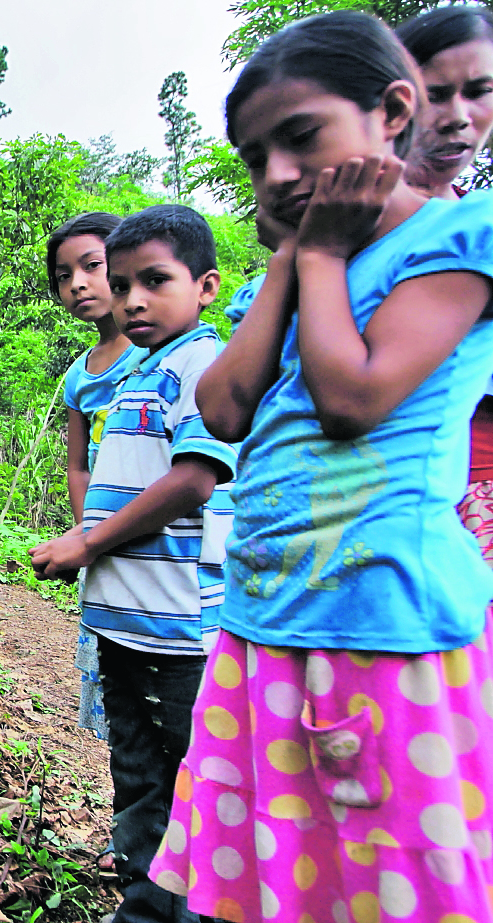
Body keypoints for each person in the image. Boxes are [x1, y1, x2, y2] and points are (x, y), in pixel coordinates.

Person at [150, 11, 493, 923]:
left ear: (392, 112)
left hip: (376, 623)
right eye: (255, 158)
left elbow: (351, 398)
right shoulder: (305, 264)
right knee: (282, 882)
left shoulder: (459, 237)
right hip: (264, 617)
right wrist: (295, 255)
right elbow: (224, 407)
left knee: (391, 888)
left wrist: (327, 254)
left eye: (300, 137)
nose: (277, 174)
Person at [31, 204, 236, 923]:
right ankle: (144, 910)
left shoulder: (204, 367)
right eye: (122, 286)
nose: (132, 300)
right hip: (123, 625)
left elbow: (193, 480)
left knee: (192, 784)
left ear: (205, 286)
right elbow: (96, 474)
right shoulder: (134, 375)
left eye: (154, 281)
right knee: (140, 778)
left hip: (178, 633)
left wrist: (87, 544)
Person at [398, 5, 493, 564]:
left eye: (480, 91)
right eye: (436, 95)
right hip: (406, 497)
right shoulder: (348, 225)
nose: (459, 117)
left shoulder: (479, 223)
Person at [46, 210, 139, 749]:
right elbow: (78, 466)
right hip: (103, 539)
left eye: (92, 266)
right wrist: (88, 533)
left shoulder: (158, 353)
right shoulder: (80, 374)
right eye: (64, 276)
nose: (78, 284)